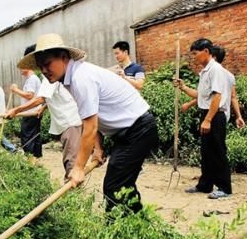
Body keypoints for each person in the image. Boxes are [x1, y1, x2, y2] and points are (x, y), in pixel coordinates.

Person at [18, 33, 158, 213]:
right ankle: (137, 222)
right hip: (127, 132)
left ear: (63, 57)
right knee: (121, 184)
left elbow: (90, 128)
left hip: (138, 129)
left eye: (47, 64)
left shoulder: (80, 78)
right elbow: (93, 117)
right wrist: (98, 150)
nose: (44, 71)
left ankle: (123, 229)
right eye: (40, 67)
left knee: (114, 186)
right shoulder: (72, 77)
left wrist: (78, 168)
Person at [7, 45, 82, 179]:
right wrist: (44, 107)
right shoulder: (52, 74)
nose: (43, 67)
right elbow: (53, 96)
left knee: (71, 161)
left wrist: (16, 110)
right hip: (67, 122)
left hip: (70, 121)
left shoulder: (49, 74)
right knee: (70, 158)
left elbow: (39, 98)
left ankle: (72, 192)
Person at [173, 38, 231, 199]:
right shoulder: (205, 71)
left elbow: (217, 96)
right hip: (206, 113)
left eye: (195, 53)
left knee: (218, 151)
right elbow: (201, 96)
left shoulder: (215, 70)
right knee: (206, 152)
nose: (194, 57)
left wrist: (208, 120)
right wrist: (183, 87)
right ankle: (205, 184)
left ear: (206, 51)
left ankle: (225, 188)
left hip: (215, 115)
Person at [181, 46, 245, 129]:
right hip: (223, 115)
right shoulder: (230, 75)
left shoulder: (214, 72)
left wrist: (189, 105)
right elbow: (233, 97)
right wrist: (239, 116)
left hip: (214, 115)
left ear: (213, 57)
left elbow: (214, 96)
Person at [10, 45, 43, 160]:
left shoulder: (33, 79)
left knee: (27, 136)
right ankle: (35, 159)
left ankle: (31, 159)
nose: (20, 69)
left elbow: (30, 95)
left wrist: (16, 90)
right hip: (33, 112)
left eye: (22, 66)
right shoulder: (31, 79)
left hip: (31, 113)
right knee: (34, 136)